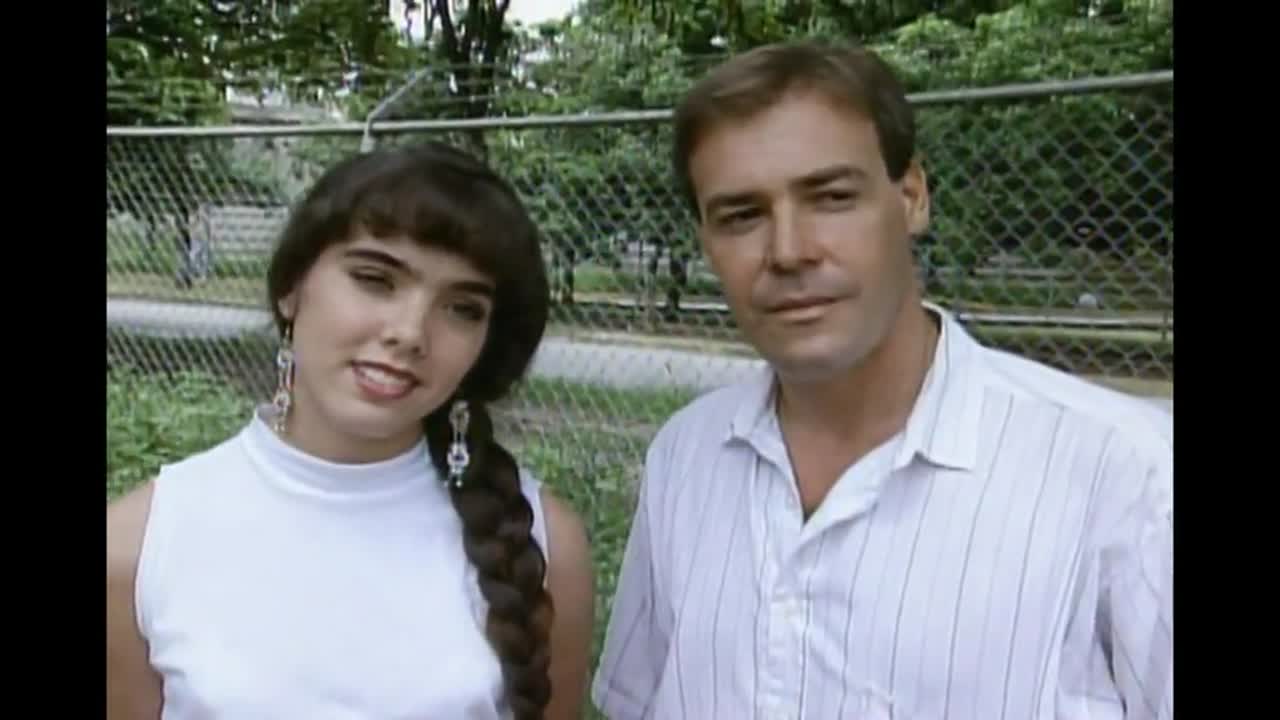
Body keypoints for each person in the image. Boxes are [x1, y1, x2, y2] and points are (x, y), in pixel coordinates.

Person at [592, 41, 1172, 720]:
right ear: (704, 240)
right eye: (742, 215)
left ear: (912, 198)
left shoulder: (1126, 475)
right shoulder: (685, 456)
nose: (789, 251)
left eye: (832, 197)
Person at [107, 142, 596, 720]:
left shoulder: (543, 545)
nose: (410, 332)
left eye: (462, 308)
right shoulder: (139, 545)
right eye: (375, 279)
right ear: (292, 288)